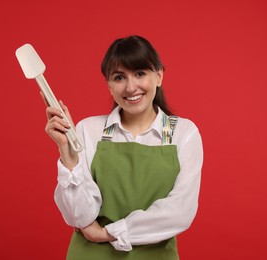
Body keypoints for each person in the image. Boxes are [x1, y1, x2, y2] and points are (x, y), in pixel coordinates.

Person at [42, 35, 203, 259]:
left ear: (158, 76)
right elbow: (79, 216)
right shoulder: (88, 130)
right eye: (119, 77)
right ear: (109, 86)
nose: (130, 87)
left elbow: (180, 211)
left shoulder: (183, 133)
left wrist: (107, 233)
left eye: (140, 74)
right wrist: (67, 153)